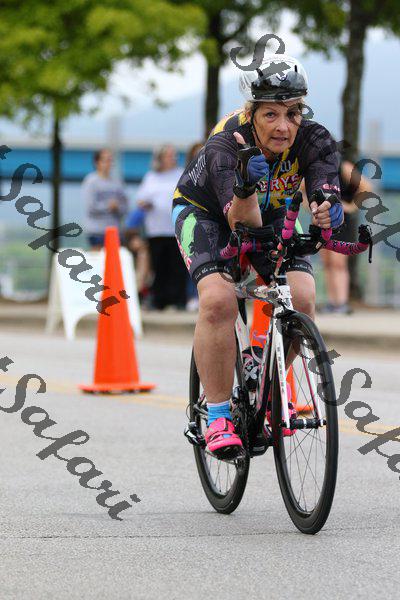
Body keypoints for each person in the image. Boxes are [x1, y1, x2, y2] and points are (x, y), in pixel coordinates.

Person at [172, 54, 344, 457]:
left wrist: (326, 207)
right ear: (251, 113)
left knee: (302, 298)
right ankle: (218, 416)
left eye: (293, 113)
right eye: (271, 114)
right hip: (209, 214)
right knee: (218, 300)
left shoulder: (314, 137)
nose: (284, 126)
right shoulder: (225, 143)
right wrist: (246, 185)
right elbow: (241, 223)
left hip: (275, 214)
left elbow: (325, 188)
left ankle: (265, 380)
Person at [136, 145, 187, 310]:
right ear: (160, 158)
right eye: (169, 155)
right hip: (156, 229)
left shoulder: (181, 174)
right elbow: (140, 199)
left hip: (177, 228)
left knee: (177, 266)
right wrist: (145, 203)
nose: (173, 158)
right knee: (159, 266)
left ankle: (178, 300)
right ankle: (159, 300)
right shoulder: (151, 177)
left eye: (174, 155)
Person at [319, 160, 373, 314]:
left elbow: (366, 187)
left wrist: (351, 206)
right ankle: (332, 302)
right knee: (327, 262)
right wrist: (310, 206)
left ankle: (341, 302)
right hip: (322, 220)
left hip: (341, 220)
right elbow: (301, 188)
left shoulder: (343, 166)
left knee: (338, 263)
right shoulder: (315, 166)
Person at [82, 148, 129, 249]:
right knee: (98, 258)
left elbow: (125, 206)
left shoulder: (118, 182)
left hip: (115, 231)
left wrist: (117, 207)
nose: (109, 163)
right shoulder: (91, 181)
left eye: (110, 160)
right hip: (96, 231)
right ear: (97, 162)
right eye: (105, 160)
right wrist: (108, 206)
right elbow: (91, 207)